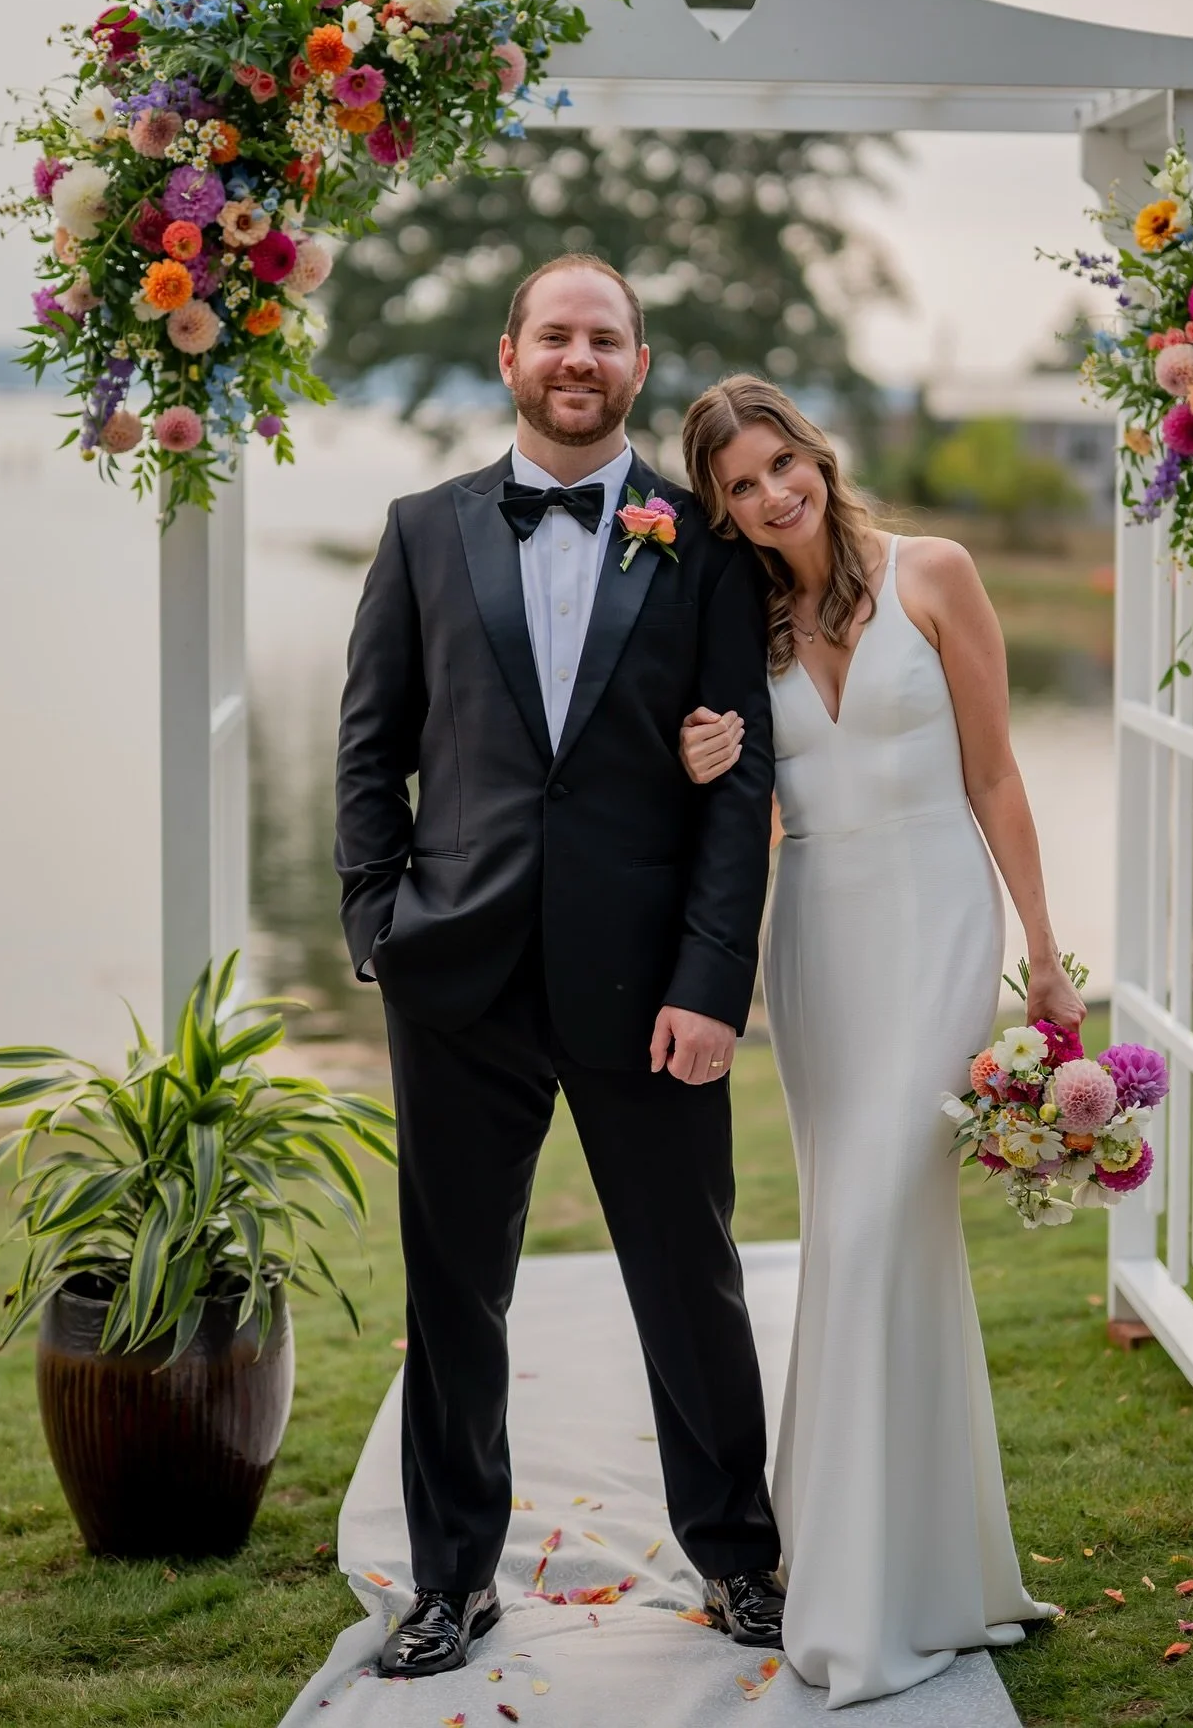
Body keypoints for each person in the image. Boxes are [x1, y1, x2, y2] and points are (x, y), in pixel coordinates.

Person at [334, 259, 786, 1679]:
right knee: (454, 1290)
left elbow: (738, 779)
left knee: (689, 1278)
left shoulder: (705, 549)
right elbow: (369, 745)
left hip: (648, 983)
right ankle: (454, 1580)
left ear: (639, 364)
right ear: (509, 353)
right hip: (455, 978)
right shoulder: (420, 531)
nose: (576, 357)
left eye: (604, 338)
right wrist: (374, 925)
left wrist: (714, 982)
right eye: (555, 335)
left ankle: (737, 1556)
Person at [678, 373, 1078, 1707]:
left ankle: (858, 1584)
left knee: (872, 1221)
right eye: (741, 483)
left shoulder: (937, 570)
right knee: (869, 1239)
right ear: (723, 509)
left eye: (781, 460)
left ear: (815, 450)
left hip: (942, 919)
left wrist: (1044, 949)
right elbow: (755, 813)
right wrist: (703, 758)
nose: (772, 491)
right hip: (823, 943)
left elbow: (997, 772)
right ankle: (921, 1562)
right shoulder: (745, 621)